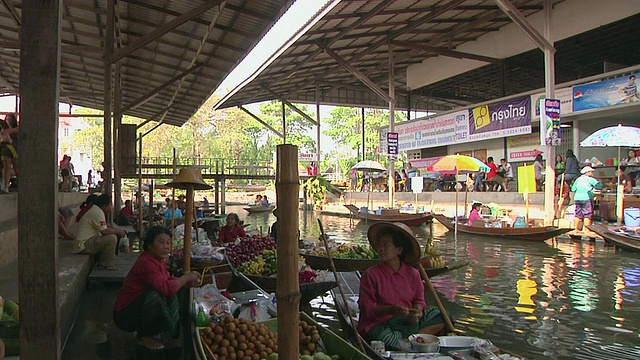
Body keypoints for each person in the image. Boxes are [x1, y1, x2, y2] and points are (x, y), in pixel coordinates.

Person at [358, 222, 448, 350]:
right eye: (380, 245)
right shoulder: (370, 274)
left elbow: (419, 300)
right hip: (381, 324)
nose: (381, 249)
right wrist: (391, 310)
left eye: (386, 245)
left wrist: (418, 309)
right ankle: (413, 340)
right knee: (383, 336)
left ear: (399, 250)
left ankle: (411, 339)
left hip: (407, 321)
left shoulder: (413, 274)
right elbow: (366, 308)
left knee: (441, 315)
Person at [113, 226, 200, 351]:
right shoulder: (146, 263)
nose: (166, 246)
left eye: (168, 243)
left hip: (136, 308)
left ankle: (159, 331)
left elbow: (167, 280)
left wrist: (183, 282)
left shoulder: (158, 261)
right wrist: (185, 278)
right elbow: (165, 288)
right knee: (155, 295)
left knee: (169, 291)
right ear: (149, 244)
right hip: (124, 315)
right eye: (161, 242)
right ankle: (143, 336)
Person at [75, 194, 126, 270]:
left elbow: (105, 226)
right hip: (84, 245)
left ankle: (105, 261)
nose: (110, 208)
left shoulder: (96, 210)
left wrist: (116, 230)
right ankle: (106, 263)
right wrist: (118, 231)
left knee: (112, 235)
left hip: (87, 242)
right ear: (104, 205)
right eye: (110, 205)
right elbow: (104, 231)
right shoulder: (97, 212)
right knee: (111, 238)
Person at [571, 166, 603, 236]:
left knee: (578, 214)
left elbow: (573, 189)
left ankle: (576, 229)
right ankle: (586, 230)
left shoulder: (578, 179)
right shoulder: (590, 179)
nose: (592, 173)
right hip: (587, 197)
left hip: (577, 198)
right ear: (587, 172)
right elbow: (599, 185)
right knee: (587, 214)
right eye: (591, 172)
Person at [0, 113, 18, 194]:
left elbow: (7, 132)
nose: (8, 121)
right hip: (7, 148)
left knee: (16, 168)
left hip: (15, 148)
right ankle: (5, 186)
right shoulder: (4, 128)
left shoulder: (17, 128)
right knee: (6, 167)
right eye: (7, 119)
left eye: (10, 119)